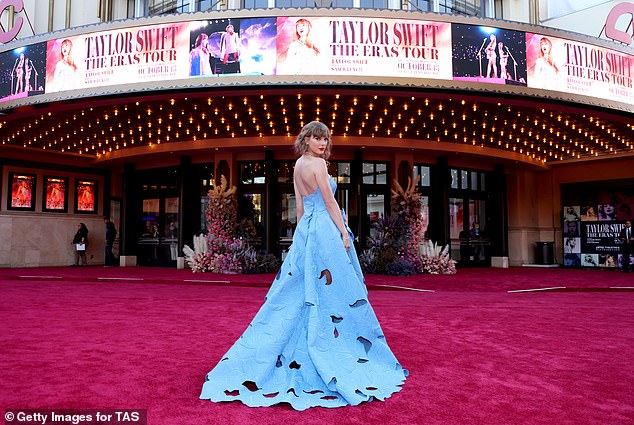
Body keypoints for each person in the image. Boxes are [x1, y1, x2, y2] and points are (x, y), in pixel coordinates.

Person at [200, 121, 407, 410]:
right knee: (334, 290)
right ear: (306, 139)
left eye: (325, 139)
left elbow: (299, 208)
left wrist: (301, 238)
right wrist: (344, 234)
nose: (322, 143)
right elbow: (330, 202)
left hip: (308, 230)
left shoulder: (297, 165)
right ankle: (332, 347)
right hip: (323, 229)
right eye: (316, 138)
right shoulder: (319, 166)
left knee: (301, 290)